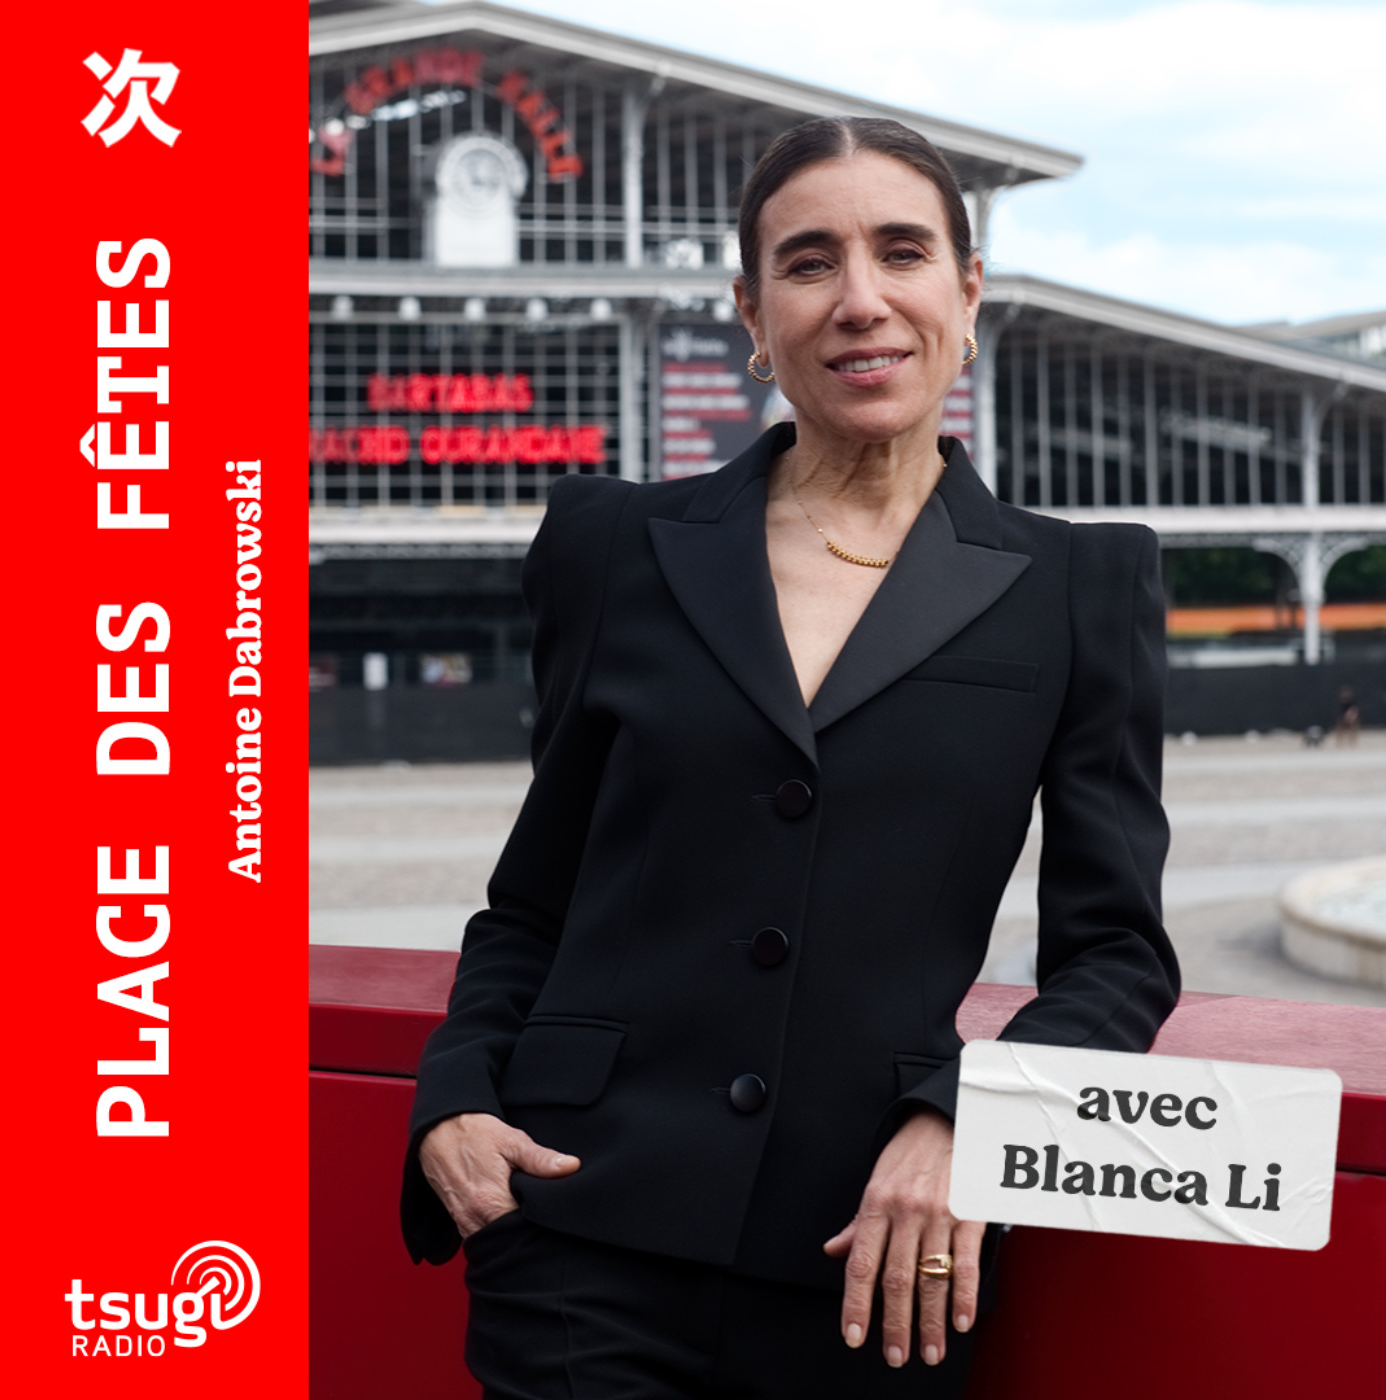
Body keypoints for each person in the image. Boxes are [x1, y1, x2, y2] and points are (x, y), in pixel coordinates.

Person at [403, 116, 1179, 1399]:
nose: (859, 299)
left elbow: (1116, 954)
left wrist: (970, 1116)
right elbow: (537, 898)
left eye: (901, 252)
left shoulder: (1079, 583)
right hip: (576, 1233)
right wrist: (452, 1097)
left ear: (966, 293)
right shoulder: (613, 544)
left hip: (877, 1264)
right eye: (809, 262)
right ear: (751, 314)